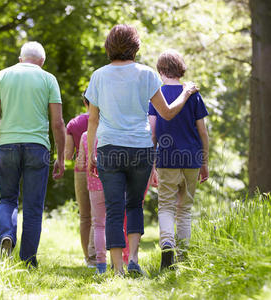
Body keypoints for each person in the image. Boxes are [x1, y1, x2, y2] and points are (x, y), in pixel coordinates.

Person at [85, 24, 198, 276]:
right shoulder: (147, 74)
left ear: (109, 46)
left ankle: (117, 270)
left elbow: (93, 120)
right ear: (135, 46)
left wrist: (91, 152)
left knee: (114, 208)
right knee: (134, 204)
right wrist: (187, 92)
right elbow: (167, 112)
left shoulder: (99, 76)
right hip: (140, 149)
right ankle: (134, 260)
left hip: (109, 148)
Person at [0, 41, 65, 268]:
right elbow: (58, 123)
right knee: (33, 206)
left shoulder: (2, 76)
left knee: (8, 198)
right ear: (42, 62)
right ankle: (28, 261)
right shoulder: (48, 79)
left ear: (21, 59)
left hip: (7, 145)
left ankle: (7, 236)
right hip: (38, 147)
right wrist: (60, 155)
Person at [148, 49, 209, 270]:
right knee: (184, 209)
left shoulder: (156, 95)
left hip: (166, 158)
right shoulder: (193, 94)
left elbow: (153, 133)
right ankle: (183, 255)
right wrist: (205, 162)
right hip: (192, 157)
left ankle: (167, 245)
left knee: (165, 206)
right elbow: (203, 132)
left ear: (161, 70)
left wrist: (153, 164)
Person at [65, 98, 96, 267]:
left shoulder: (75, 123)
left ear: (85, 102)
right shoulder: (107, 119)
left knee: (85, 216)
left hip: (82, 170)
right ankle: (100, 253)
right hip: (103, 168)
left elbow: (68, 155)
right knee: (101, 214)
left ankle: (88, 258)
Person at [77, 131, 107, 274]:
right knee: (114, 219)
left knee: (97, 223)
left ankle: (95, 259)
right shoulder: (112, 133)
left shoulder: (85, 136)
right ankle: (117, 258)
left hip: (94, 184)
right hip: (113, 182)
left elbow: (81, 162)